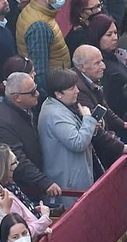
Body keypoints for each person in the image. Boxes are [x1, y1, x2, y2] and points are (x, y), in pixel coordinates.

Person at [37, 67, 100, 195]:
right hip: (69, 183)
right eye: (71, 88)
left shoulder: (60, 106)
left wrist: (92, 126)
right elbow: (78, 143)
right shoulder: (55, 114)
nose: (77, 91)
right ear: (58, 93)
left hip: (73, 178)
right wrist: (88, 119)